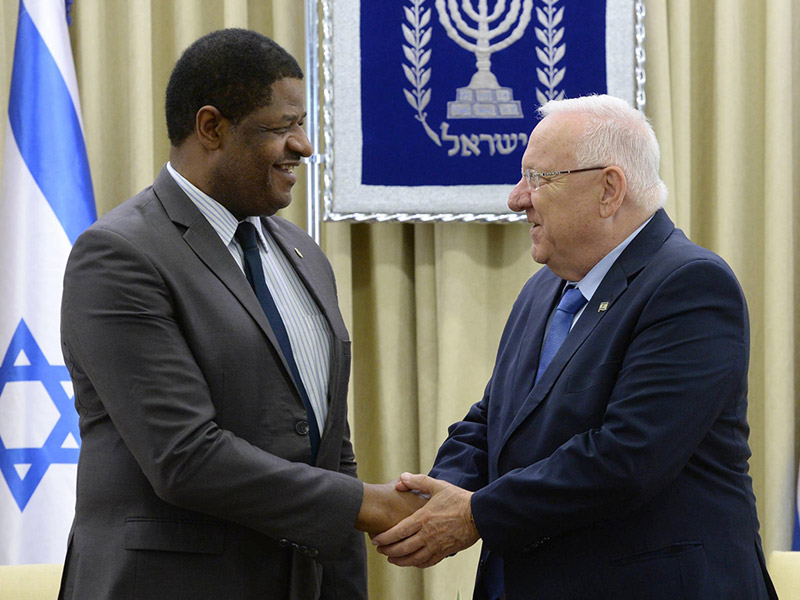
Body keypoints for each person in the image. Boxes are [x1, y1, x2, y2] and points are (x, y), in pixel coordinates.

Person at [58, 29, 422, 600]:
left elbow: (328, 445)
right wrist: (370, 506)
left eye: (302, 124)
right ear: (211, 128)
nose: (303, 145)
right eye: (281, 127)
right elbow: (185, 455)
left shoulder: (303, 254)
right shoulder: (119, 255)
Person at [372, 94, 778, 600]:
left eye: (538, 178)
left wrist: (475, 515)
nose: (517, 198)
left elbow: (625, 458)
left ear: (609, 189)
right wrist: (436, 496)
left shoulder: (690, 285)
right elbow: (493, 418)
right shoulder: (545, 286)